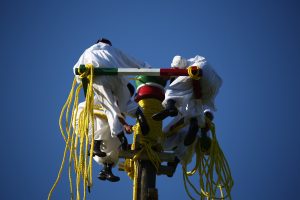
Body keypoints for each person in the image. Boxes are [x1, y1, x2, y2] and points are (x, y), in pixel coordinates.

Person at [73, 38, 150, 155]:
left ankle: (119, 136)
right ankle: (139, 113)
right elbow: (129, 60)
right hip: (116, 77)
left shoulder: (88, 51)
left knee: (110, 108)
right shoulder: (113, 50)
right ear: (108, 44)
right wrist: (146, 68)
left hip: (99, 77)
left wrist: (83, 78)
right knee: (123, 104)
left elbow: (76, 70)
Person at [153, 55, 222, 147]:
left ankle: (170, 107)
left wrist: (173, 69)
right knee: (193, 102)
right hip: (212, 86)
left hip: (200, 70)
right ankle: (194, 123)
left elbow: (179, 60)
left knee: (171, 89)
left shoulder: (189, 62)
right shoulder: (190, 90)